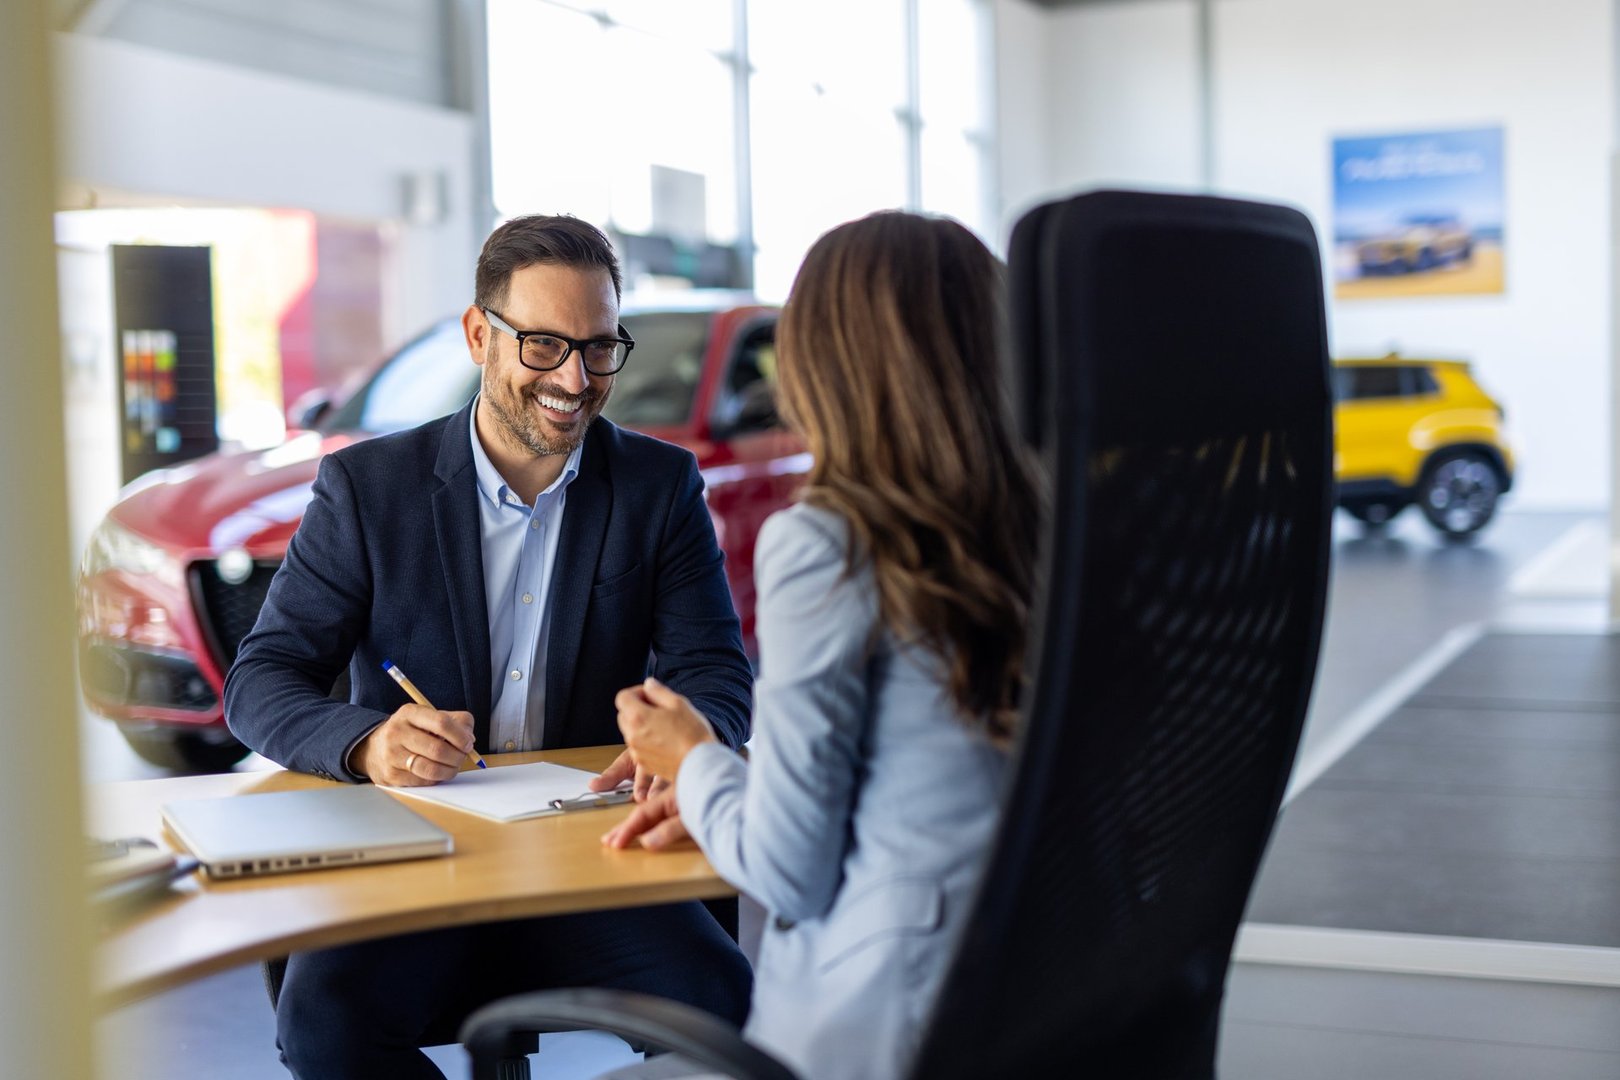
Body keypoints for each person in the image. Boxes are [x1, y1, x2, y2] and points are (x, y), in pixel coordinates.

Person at [224, 214, 754, 1079]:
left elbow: (717, 671)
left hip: (590, 848)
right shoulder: (368, 489)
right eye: (543, 346)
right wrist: (367, 741)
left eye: (597, 347)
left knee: (714, 991)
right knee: (327, 1025)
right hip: (419, 846)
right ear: (480, 335)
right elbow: (262, 679)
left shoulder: (659, 487)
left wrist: (690, 742)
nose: (576, 379)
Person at [601, 210, 1041, 1079]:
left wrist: (691, 758)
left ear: (825, 365)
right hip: (1049, 1001)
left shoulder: (829, 543)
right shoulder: (1059, 534)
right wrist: (737, 786)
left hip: (888, 1025)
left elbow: (786, 873)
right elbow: (930, 771)